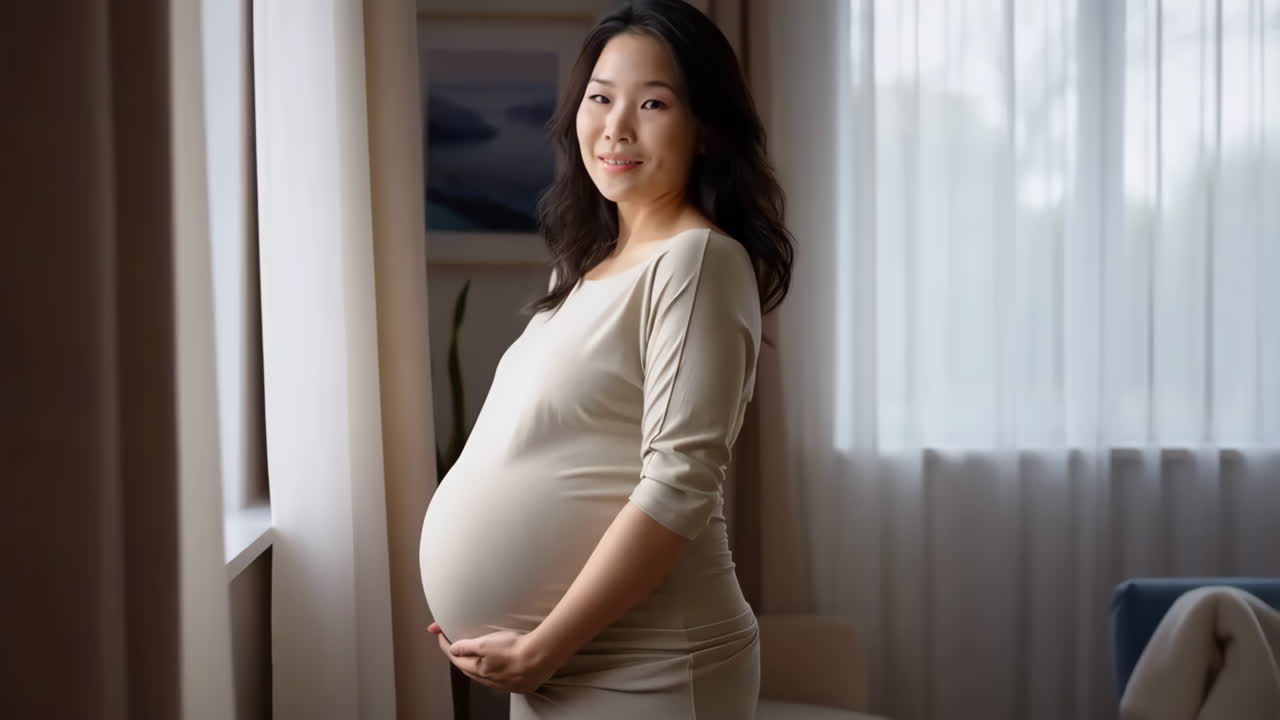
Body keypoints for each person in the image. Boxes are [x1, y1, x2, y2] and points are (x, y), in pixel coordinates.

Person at [419, 1, 794, 717]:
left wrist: (541, 646)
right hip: (554, 665)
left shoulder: (699, 260)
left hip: (644, 665)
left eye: (653, 103)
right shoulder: (586, 267)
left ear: (706, 130)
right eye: (600, 97)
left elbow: (679, 485)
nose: (616, 127)